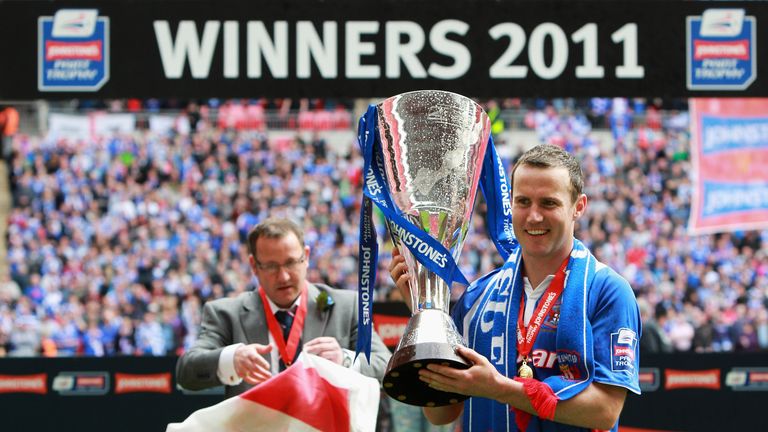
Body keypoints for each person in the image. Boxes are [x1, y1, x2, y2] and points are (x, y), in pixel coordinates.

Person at [389, 144, 641, 431]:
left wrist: (499, 389)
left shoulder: (608, 292)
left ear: (578, 207)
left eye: (549, 203)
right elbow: (442, 414)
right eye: (523, 202)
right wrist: (425, 314)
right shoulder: (477, 298)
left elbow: (605, 411)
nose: (534, 216)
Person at [177, 218, 391, 397]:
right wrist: (231, 359)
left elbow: (386, 367)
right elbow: (186, 372)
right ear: (254, 266)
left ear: (306, 257)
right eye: (271, 266)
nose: (284, 276)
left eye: (291, 262)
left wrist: (344, 360)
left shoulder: (347, 306)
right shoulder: (225, 314)